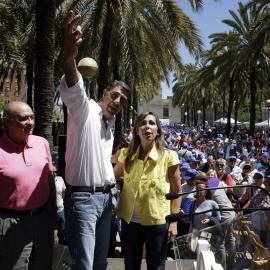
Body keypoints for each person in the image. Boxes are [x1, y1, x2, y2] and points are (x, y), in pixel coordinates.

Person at [59, 11, 130, 270]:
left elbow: (100, 162)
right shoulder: (84, 110)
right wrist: (70, 53)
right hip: (83, 202)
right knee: (85, 265)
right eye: (115, 95)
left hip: (104, 201)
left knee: (100, 264)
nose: (118, 102)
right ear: (104, 93)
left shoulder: (109, 128)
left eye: (122, 100)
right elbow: (73, 82)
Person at [114, 112, 182, 270]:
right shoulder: (126, 155)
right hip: (130, 223)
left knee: (156, 267)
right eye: (143, 123)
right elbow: (110, 176)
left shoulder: (169, 157)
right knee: (131, 265)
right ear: (137, 130)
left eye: (152, 123)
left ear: (158, 130)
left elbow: (177, 191)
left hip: (158, 224)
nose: (147, 127)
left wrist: (174, 222)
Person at [0, 101, 57, 269]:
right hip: (10, 223)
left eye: (32, 117)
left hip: (42, 218)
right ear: (7, 121)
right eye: (24, 118)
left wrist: (53, 212)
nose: (30, 123)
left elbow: (49, 178)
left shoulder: (42, 143)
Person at [53, 165, 67, 245]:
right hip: (51, 212)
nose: (54, 174)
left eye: (55, 172)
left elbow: (63, 191)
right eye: (52, 172)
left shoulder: (60, 179)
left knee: (62, 233)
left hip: (61, 210)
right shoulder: (46, 181)